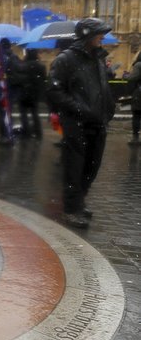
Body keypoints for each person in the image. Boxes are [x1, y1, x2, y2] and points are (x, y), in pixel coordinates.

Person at [46, 18, 115, 228]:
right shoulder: (65, 60)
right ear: (87, 35)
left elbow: (103, 87)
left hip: (98, 122)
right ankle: (70, 208)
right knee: (74, 167)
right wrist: (80, 109)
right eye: (99, 33)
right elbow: (54, 92)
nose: (103, 37)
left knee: (92, 166)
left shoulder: (98, 59)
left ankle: (79, 201)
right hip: (76, 123)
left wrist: (108, 108)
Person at [15, 49, 47, 139]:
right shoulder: (41, 66)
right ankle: (38, 133)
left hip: (24, 94)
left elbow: (19, 79)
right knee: (35, 113)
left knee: (23, 114)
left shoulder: (22, 65)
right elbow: (44, 79)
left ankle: (26, 133)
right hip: (35, 94)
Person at [125, 50, 141, 145]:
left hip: (139, 95)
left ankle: (135, 138)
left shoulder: (139, 65)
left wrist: (127, 76)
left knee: (137, 116)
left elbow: (132, 78)